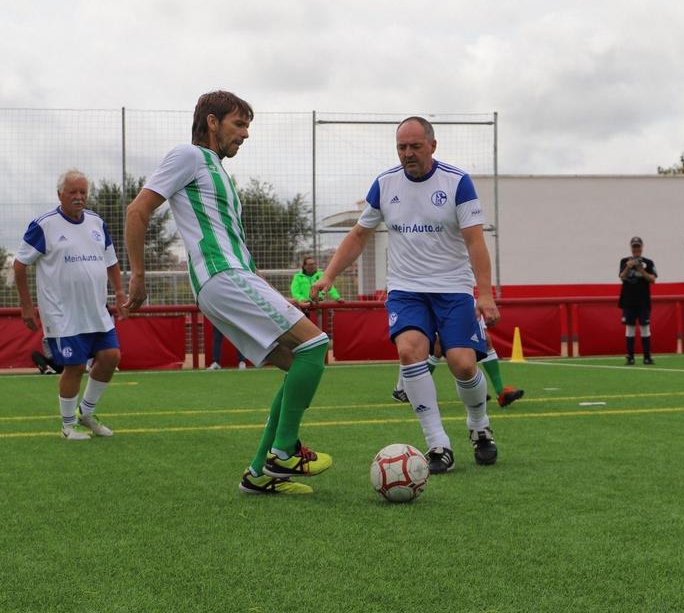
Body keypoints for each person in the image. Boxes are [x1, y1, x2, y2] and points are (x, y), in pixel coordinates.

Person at [124, 91, 332, 495]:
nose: (246, 134)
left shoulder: (217, 171)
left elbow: (231, 241)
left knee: (298, 363)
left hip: (231, 279)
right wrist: (138, 275)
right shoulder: (189, 155)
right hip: (221, 276)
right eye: (239, 124)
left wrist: (264, 288)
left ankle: (260, 474)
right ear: (212, 122)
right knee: (316, 344)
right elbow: (137, 211)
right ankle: (283, 453)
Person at [311, 115, 500, 475]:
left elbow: (475, 241)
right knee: (409, 352)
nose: (408, 153)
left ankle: (479, 426)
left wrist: (486, 294)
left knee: (463, 363)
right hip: (406, 289)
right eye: (402, 147)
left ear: (432, 145)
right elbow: (358, 235)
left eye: (415, 146)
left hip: (453, 288)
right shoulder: (385, 184)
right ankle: (438, 444)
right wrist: (328, 275)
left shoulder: (457, 181)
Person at [14, 169, 125, 439]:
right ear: (60, 194)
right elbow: (19, 265)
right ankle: (67, 426)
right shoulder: (44, 225)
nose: (79, 197)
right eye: (73, 192)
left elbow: (111, 262)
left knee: (111, 356)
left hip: (96, 311)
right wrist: (26, 306)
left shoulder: (97, 222)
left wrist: (121, 292)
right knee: (74, 366)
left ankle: (86, 413)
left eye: (83, 192)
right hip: (62, 314)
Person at [392, 334, 525, 408]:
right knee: (437, 346)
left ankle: (500, 392)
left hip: (462, 297)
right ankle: (410, 392)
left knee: (485, 340)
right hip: (439, 298)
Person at [619, 236, 657, 364]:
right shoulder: (624, 261)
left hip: (643, 301)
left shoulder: (648, 262)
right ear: (631, 248)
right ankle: (630, 357)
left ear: (642, 247)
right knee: (629, 328)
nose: (636, 249)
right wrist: (628, 267)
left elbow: (653, 280)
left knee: (645, 328)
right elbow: (621, 277)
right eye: (634, 247)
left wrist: (642, 271)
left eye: (638, 246)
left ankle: (647, 357)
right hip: (628, 301)